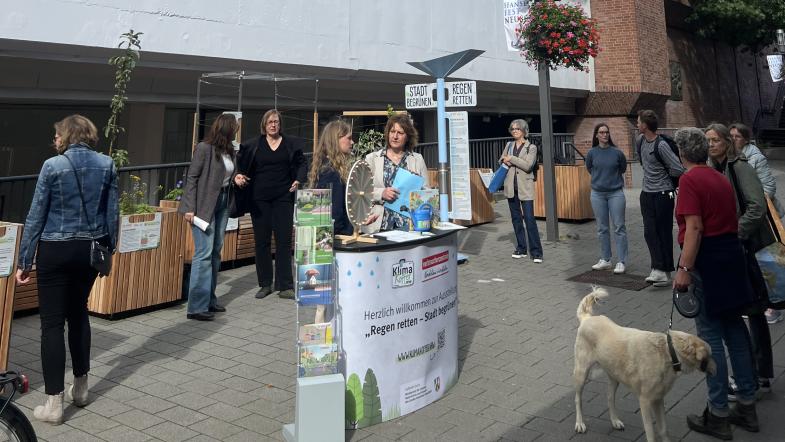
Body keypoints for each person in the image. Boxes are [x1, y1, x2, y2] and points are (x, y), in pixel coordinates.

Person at [15, 115, 118, 424]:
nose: (55, 141)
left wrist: (24, 260)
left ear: (69, 136)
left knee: (51, 325)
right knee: (79, 315)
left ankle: (54, 405)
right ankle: (82, 389)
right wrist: (109, 251)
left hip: (55, 250)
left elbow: (36, 215)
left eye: (57, 135)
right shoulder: (107, 164)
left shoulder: (52, 166)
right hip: (89, 250)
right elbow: (112, 213)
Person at [672, 127, 759, 440]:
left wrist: (684, 268)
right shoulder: (719, 178)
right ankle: (747, 405)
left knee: (710, 337)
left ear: (682, 152)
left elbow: (694, 228)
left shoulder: (690, 180)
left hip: (707, 261)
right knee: (735, 330)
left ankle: (718, 414)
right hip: (730, 256)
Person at [706, 122, 776, 401]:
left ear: (727, 142)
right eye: (707, 140)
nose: (711, 145)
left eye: (715, 140)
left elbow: (757, 206)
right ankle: (756, 373)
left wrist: (735, 231)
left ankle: (759, 374)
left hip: (750, 249)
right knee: (749, 311)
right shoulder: (716, 169)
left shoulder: (740, 167)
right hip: (737, 250)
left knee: (755, 311)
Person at [180, 114, 246, 321]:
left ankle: (209, 298)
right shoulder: (204, 148)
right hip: (203, 206)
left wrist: (235, 176)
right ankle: (196, 307)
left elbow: (226, 174)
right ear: (227, 128)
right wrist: (190, 207)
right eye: (235, 127)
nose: (237, 130)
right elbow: (192, 177)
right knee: (204, 252)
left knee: (216, 251)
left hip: (223, 202)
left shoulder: (229, 150)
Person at [239, 110, 306, 299]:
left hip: (283, 197)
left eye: (276, 122)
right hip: (259, 200)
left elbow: (302, 164)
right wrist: (239, 176)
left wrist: (298, 180)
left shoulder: (290, 144)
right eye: (270, 122)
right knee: (262, 242)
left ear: (280, 124)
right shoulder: (255, 145)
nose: (273, 125)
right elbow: (241, 165)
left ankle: (285, 285)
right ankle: (265, 284)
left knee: (284, 241)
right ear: (264, 125)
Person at [730, 122, 783, 324]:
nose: (733, 139)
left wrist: (755, 203)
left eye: (737, 136)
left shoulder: (755, 157)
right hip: (747, 216)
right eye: (731, 136)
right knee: (753, 261)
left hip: (765, 217)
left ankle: (774, 305)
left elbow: (769, 186)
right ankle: (759, 300)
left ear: (745, 139)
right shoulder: (731, 158)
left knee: (770, 260)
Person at [636, 110, 684, 286]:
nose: (636, 124)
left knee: (663, 232)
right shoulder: (640, 141)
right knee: (650, 231)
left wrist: (664, 179)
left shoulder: (661, 145)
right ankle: (657, 269)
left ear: (645, 125)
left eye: (638, 122)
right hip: (646, 193)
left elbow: (678, 168)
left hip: (664, 194)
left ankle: (665, 271)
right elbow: (644, 163)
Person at [364, 114, 428, 233]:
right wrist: (381, 193)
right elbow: (361, 192)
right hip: (379, 224)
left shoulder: (417, 159)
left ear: (408, 136)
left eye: (400, 133)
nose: (395, 136)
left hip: (409, 225)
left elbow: (426, 193)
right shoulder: (372, 159)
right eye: (392, 131)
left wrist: (416, 184)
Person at [585, 123, 627, 273]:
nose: (604, 135)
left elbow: (622, 168)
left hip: (615, 193)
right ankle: (605, 259)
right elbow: (590, 168)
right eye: (601, 132)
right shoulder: (591, 153)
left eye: (606, 132)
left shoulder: (617, 153)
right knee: (602, 228)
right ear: (596, 135)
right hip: (597, 194)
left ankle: (621, 261)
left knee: (619, 227)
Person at [500, 119, 543, 263]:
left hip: (525, 188)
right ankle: (521, 248)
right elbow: (501, 160)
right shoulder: (509, 145)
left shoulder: (531, 147)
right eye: (512, 129)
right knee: (516, 220)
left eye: (517, 129)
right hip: (511, 187)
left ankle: (536, 252)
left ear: (524, 130)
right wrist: (505, 160)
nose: (514, 131)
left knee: (530, 220)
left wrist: (511, 159)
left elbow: (528, 165)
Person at [308, 120, 354, 236]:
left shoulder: (324, 166)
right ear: (336, 139)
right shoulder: (332, 172)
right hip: (338, 238)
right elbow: (335, 213)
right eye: (349, 138)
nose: (352, 142)